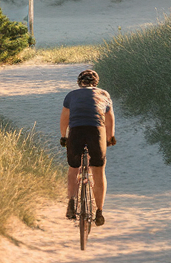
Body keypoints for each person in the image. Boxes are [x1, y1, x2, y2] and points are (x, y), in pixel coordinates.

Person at [59, 68, 116, 226]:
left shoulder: (71, 95)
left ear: (79, 83)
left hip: (76, 131)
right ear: (96, 83)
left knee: (73, 168)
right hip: (96, 132)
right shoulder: (104, 94)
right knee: (98, 170)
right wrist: (111, 137)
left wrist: (64, 136)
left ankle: (71, 204)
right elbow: (109, 118)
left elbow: (65, 117)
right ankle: (99, 212)